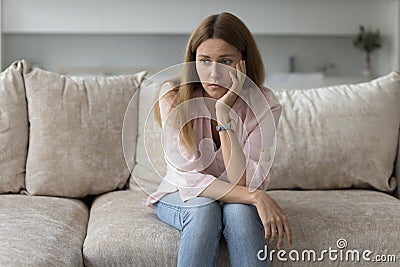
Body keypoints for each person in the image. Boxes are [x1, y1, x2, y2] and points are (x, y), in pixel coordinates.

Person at [146, 12, 292, 267]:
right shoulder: (172, 97)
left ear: (243, 63)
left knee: (241, 212)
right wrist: (255, 197)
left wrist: (223, 113)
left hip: (235, 195)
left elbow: (244, 180)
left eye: (225, 61)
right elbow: (189, 180)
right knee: (203, 210)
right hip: (180, 193)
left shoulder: (264, 104)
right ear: (193, 62)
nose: (213, 74)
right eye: (204, 61)